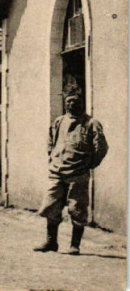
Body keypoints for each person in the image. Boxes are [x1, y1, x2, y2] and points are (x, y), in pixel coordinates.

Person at [34, 87, 108, 255]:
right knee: (51, 207)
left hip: (78, 175)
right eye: (69, 101)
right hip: (57, 173)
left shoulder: (91, 123)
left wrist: (89, 165)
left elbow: (101, 148)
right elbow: (50, 142)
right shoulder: (59, 121)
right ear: (65, 103)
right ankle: (51, 242)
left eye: (76, 101)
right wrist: (53, 159)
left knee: (77, 209)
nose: (72, 104)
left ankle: (75, 245)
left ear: (82, 102)